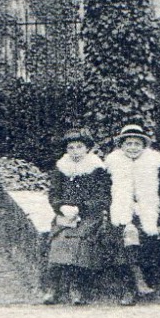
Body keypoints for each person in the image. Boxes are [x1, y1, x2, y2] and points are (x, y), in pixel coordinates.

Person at [43, 128, 113, 305]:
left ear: (87, 148)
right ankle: (52, 288)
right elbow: (54, 194)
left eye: (79, 147)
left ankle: (77, 287)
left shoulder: (97, 169)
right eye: (71, 148)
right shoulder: (61, 168)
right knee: (59, 239)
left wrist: (81, 208)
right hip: (66, 215)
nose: (75, 151)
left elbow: (103, 197)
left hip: (90, 216)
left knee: (78, 242)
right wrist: (61, 207)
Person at [103, 122, 160, 305]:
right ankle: (131, 287)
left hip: (148, 214)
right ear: (121, 146)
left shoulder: (153, 164)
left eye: (137, 144)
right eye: (128, 144)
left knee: (147, 240)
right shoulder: (113, 164)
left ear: (144, 146)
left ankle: (143, 281)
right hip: (120, 216)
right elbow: (105, 194)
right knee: (123, 240)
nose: (132, 148)